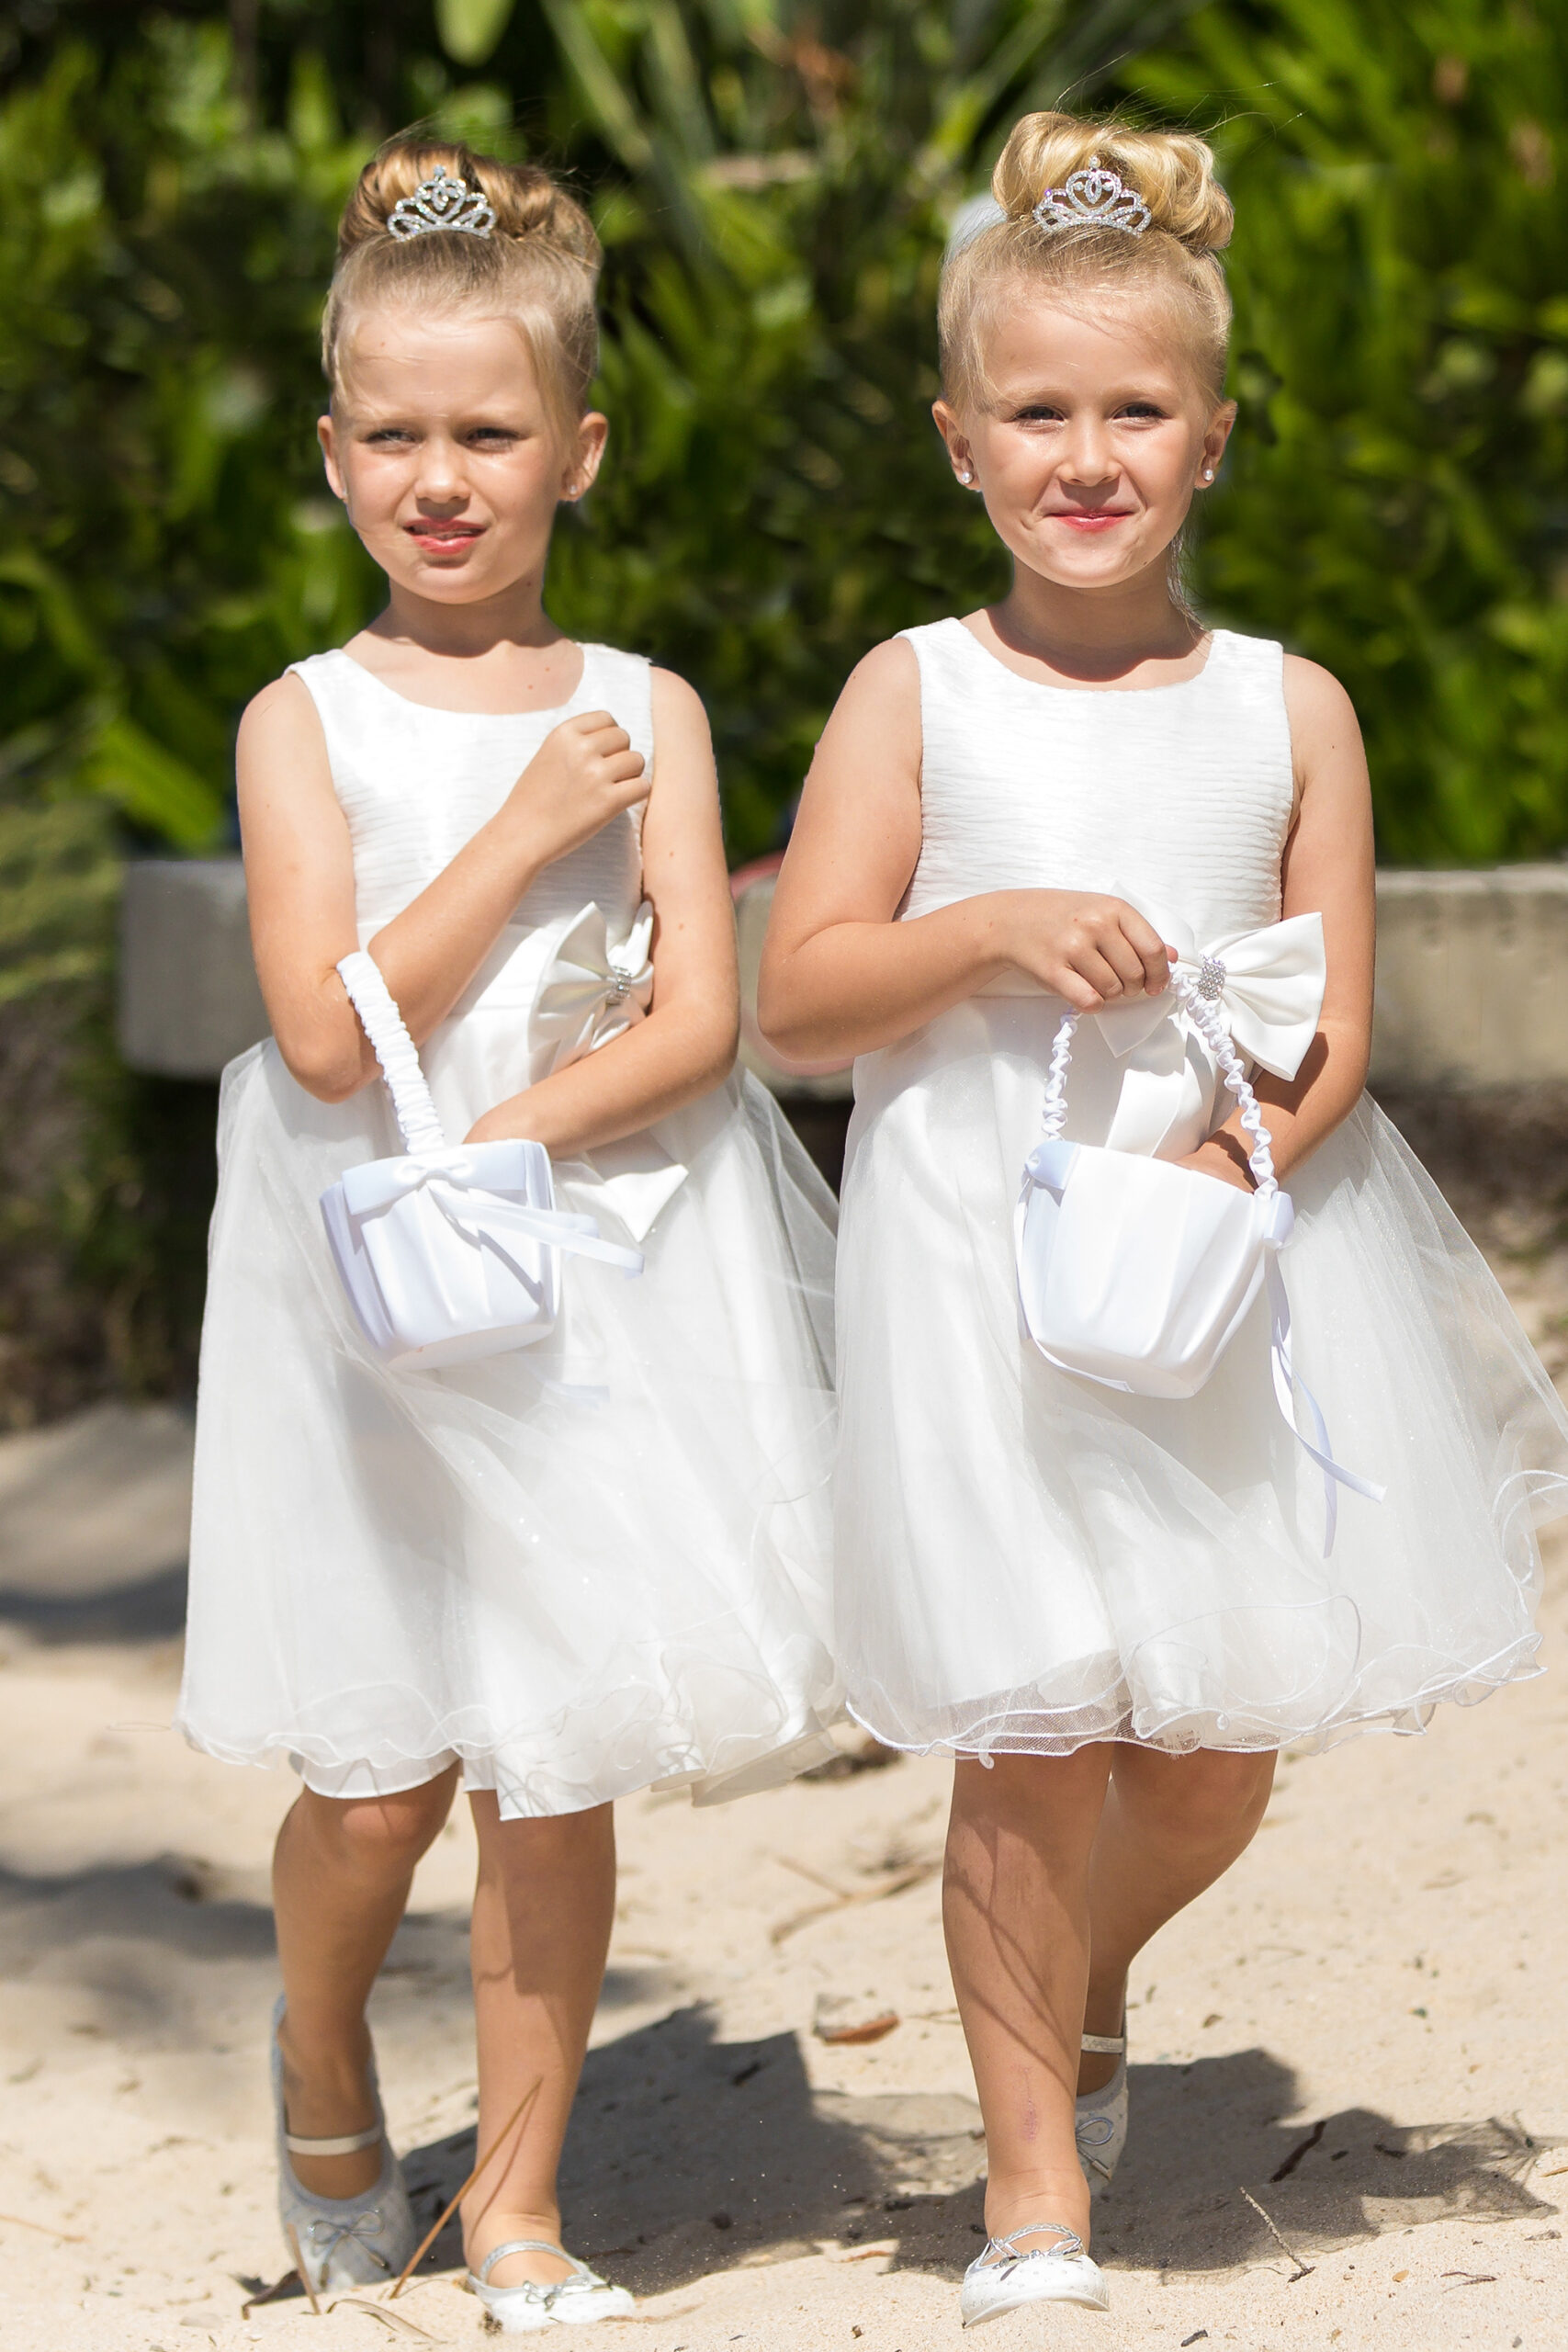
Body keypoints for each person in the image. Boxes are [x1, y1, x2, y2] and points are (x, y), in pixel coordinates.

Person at [759, 110, 1568, 2328]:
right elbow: (799, 984)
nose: (1083, 451)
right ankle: (1035, 2195)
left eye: (1132, 408)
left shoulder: (1284, 705)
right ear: (957, 439)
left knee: (1207, 1752)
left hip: (1213, 1260)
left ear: (1210, 434)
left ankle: (1088, 1966)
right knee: (1026, 1724)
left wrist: (1232, 1164)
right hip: (976, 1261)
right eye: (1037, 410)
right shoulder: (912, 691)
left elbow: (1328, 1033)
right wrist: (991, 928)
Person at [175, 137, 840, 2329]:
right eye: (394, 435)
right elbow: (323, 1028)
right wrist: (530, 824)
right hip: (358, 1266)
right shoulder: (303, 721)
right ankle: (318, 2042)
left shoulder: (650, 703)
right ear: (331, 449)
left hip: (584, 1253)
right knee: (378, 1780)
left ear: (578, 446)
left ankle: (528, 2198)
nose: (438, 478)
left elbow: (701, 1010)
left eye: (486, 433)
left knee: (550, 1751)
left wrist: (535, 1134)